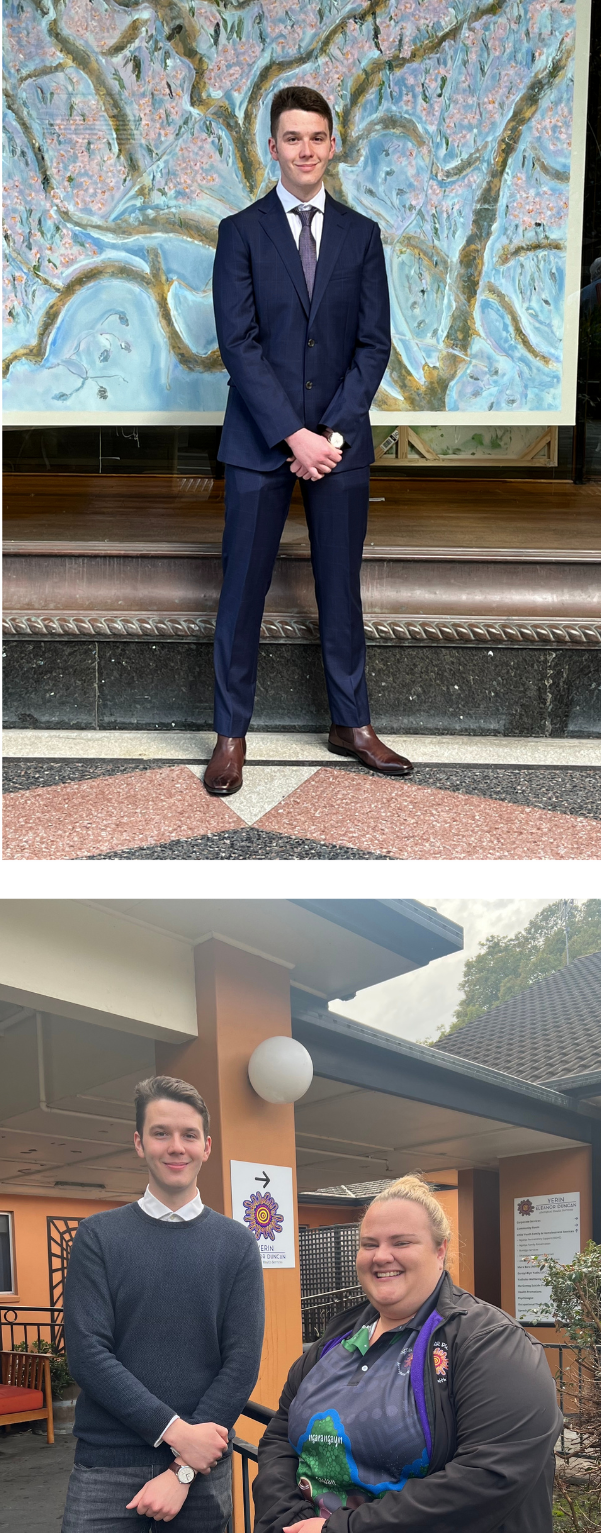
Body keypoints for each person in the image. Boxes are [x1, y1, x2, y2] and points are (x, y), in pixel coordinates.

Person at [205, 84, 414, 796]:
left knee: (340, 589)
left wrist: (329, 433)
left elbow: (372, 343)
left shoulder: (362, 235)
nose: (304, 150)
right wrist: (292, 434)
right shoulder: (239, 231)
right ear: (272, 147)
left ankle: (350, 724)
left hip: (339, 443)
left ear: (333, 145)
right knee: (242, 591)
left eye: (316, 137)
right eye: (291, 138)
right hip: (260, 442)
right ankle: (231, 734)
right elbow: (239, 343)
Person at [253, 1175, 562, 1533]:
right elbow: (278, 1436)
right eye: (369, 1244)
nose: (381, 1256)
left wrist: (337, 1530)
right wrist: (287, 1519)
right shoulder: (336, 1337)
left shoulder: (493, 1344)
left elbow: (489, 1477)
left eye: (401, 1242)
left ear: (440, 1249)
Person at [61, 1074, 265, 1529]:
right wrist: (177, 1435)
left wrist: (183, 1468)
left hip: (199, 1475)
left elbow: (242, 1362)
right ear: (139, 1143)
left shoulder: (236, 1245)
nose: (177, 1147)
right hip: (106, 1469)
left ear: (206, 1147)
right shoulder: (98, 1237)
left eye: (189, 1135)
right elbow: (88, 1355)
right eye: (161, 1133)